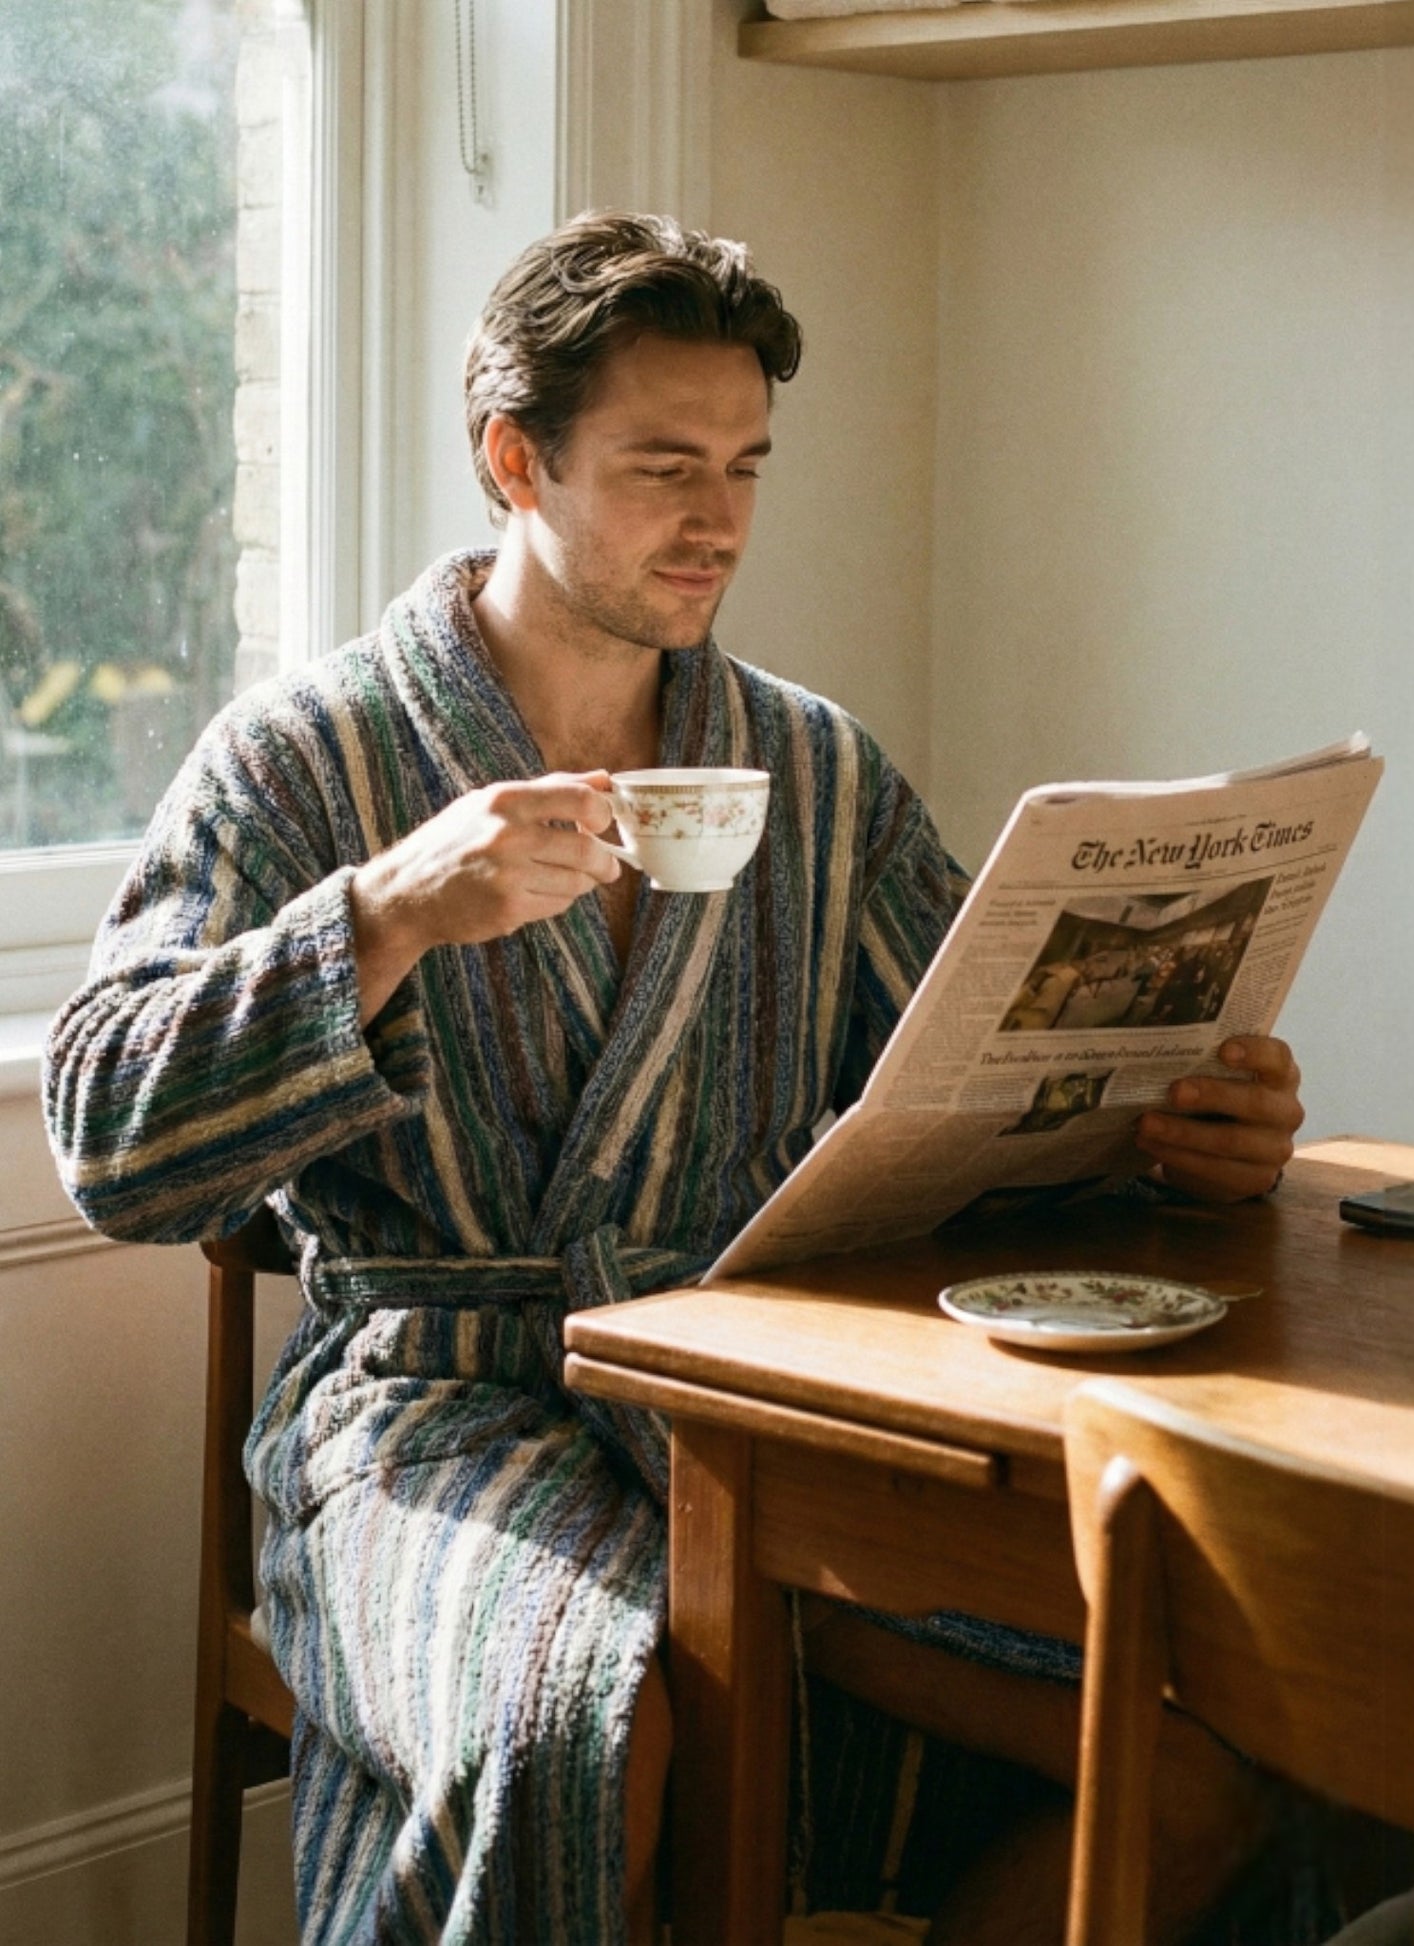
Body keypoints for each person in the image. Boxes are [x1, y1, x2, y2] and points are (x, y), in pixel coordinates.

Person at [43, 212, 1307, 1945]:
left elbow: (987, 1095)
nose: (715, 519)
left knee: (1224, 1728)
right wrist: (388, 915)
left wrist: (1189, 1143)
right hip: (435, 1410)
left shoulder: (810, 766)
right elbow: (109, 1140)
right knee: (580, 1717)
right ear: (514, 458)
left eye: (744, 467)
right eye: (660, 466)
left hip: (764, 1418)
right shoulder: (308, 758)